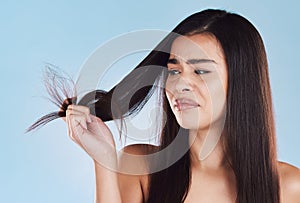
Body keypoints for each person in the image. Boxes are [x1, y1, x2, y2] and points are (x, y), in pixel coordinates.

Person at [28, 9, 300, 203]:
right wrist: (104, 162)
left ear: (242, 82)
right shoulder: (141, 168)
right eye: (173, 71)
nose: (180, 84)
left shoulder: (289, 187)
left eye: (201, 72)